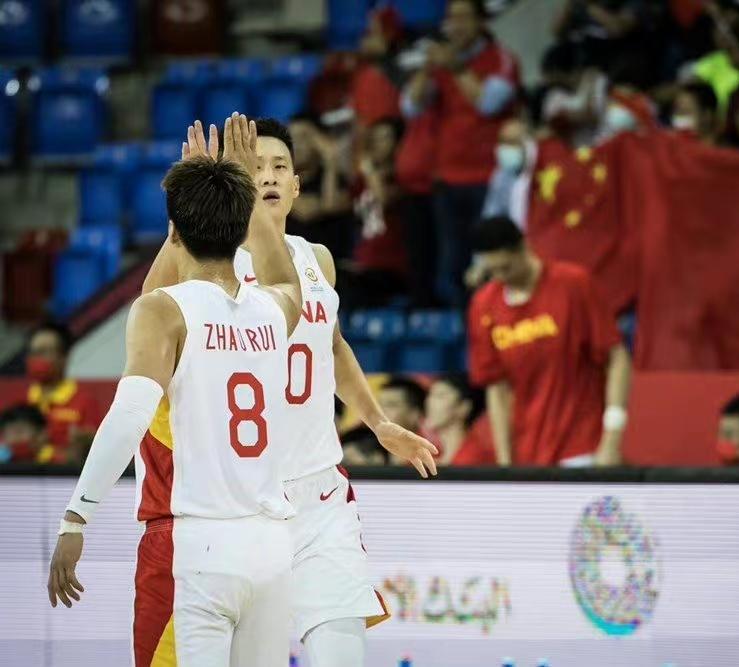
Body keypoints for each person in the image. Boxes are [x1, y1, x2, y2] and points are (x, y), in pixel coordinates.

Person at [142, 117, 438, 667]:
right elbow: (149, 302)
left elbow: (333, 345)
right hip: (246, 503)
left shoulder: (317, 258)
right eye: (253, 167)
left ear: (298, 185)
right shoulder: (212, 261)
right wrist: (185, 211)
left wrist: (378, 421)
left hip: (321, 492)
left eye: (280, 167)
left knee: (341, 651)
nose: (268, 176)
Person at [47, 116, 305, 666]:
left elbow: (128, 417)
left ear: (174, 230)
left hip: (194, 546)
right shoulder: (274, 308)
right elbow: (286, 278)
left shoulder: (163, 312)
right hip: (270, 545)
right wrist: (243, 195)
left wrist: (76, 517)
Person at [468, 216, 631, 466]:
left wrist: (612, 439)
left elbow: (617, 358)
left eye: (506, 268)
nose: (501, 278)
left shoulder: (574, 284)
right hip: (529, 453)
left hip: (582, 445)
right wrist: (505, 461)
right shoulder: (484, 305)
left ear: (524, 247)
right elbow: (497, 388)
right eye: (493, 271)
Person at [402, 0, 521, 306]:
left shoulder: (500, 58)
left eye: (463, 17)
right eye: (451, 18)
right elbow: (411, 107)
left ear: (481, 21)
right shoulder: (441, 63)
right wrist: (426, 70)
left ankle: (491, 318)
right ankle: (460, 327)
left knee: (487, 262)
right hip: (447, 179)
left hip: (489, 180)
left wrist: (456, 67)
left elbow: (489, 103)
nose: (455, 25)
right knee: (451, 268)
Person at [342, 117, 409, 310]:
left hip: (391, 267)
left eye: (385, 138)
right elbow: (339, 204)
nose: (378, 144)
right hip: (362, 263)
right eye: (375, 138)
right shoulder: (362, 181)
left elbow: (383, 199)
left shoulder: (401, 179)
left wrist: (369, 171)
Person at [24, 322, 99, 461]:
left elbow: (96, 451)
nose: (37, 359)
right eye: (34, 352)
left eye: (44, 352)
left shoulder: (85, 402)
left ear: (64, 357)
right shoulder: (22, 400)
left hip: (66, 474)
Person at [285, 113, 356, 259]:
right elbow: (305, 210)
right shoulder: (281, 181)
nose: (296, 145)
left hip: (332, 264)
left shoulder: (337, 178)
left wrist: (331, 161)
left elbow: (331, 204)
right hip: (292, 264)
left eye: (304, 137)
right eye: (291, 138)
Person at [425, 373, 495, 466]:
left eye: (440, 396)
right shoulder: (431, 455)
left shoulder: (475, 458)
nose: (429, 402)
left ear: (464, 407)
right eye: (430, 395)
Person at [481, 117, 534, 226]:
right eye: (503, 142)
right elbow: (492, 216)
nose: (506, 148)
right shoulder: (501, 176)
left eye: (512, 143)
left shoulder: (539, 173)